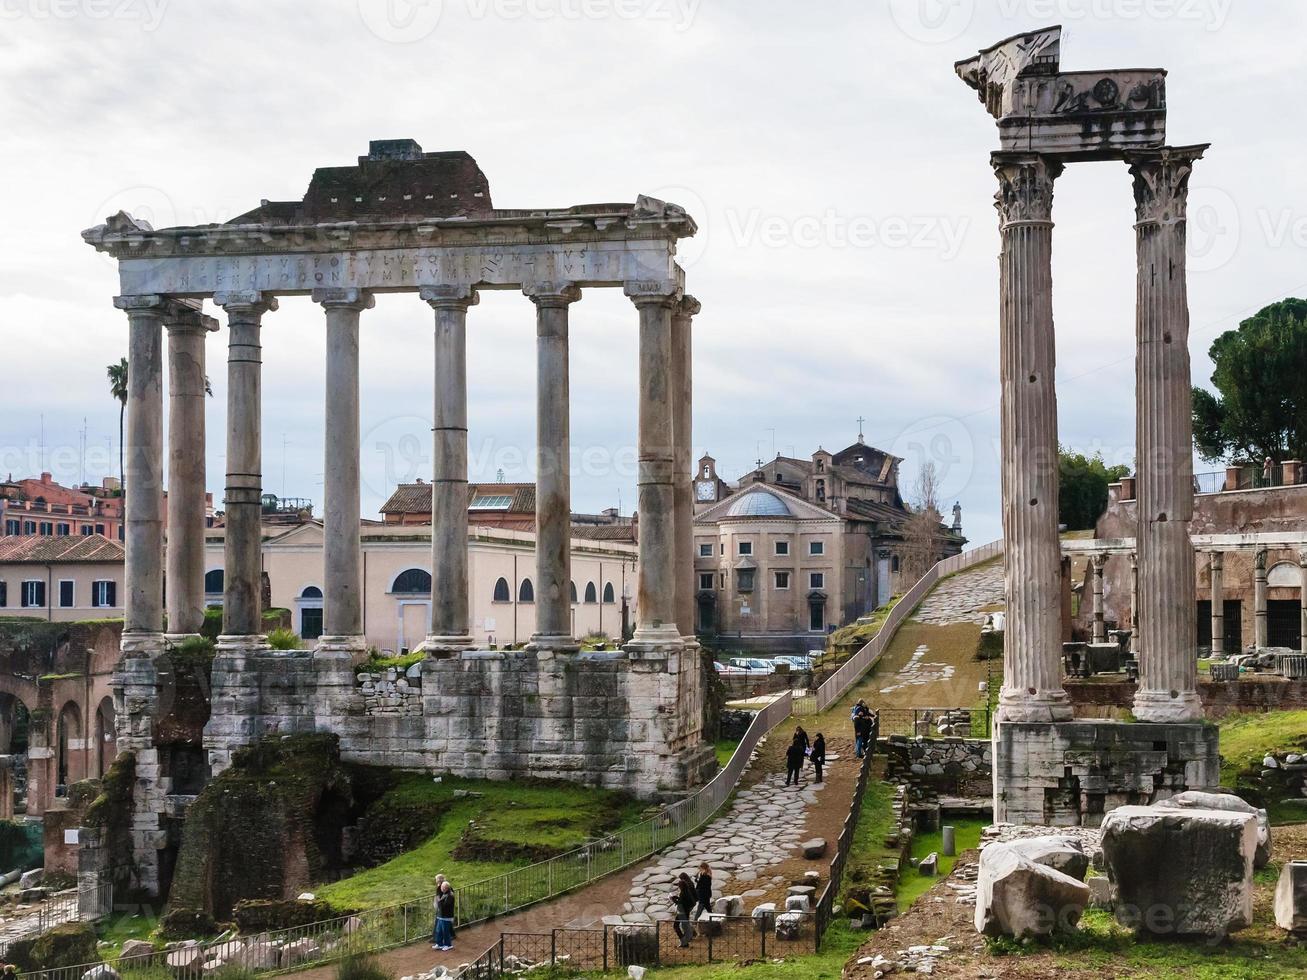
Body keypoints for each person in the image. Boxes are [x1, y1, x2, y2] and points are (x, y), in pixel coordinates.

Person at [672, 872, 697, 947]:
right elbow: (682, 900)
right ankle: (688, 937)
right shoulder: (686, 890)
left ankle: (684, 941)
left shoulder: (684, 893)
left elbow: (681, 903)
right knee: (685, 923)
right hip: (685, 910)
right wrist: (677, 898)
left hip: (682, 911)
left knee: (677, 926)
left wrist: (674, 900)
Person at [432, 880, 456, 952]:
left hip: (447, 917)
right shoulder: (443, 893)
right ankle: (439, 944)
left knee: (445, 931)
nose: (441, 889)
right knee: (438, 930)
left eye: (443, 887)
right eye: (441, 887)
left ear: (447, 888)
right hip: (441, 916)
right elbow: (438, 893)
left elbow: (444, 906)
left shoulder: (450, 896)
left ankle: (448, 945)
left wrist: (438, 901)